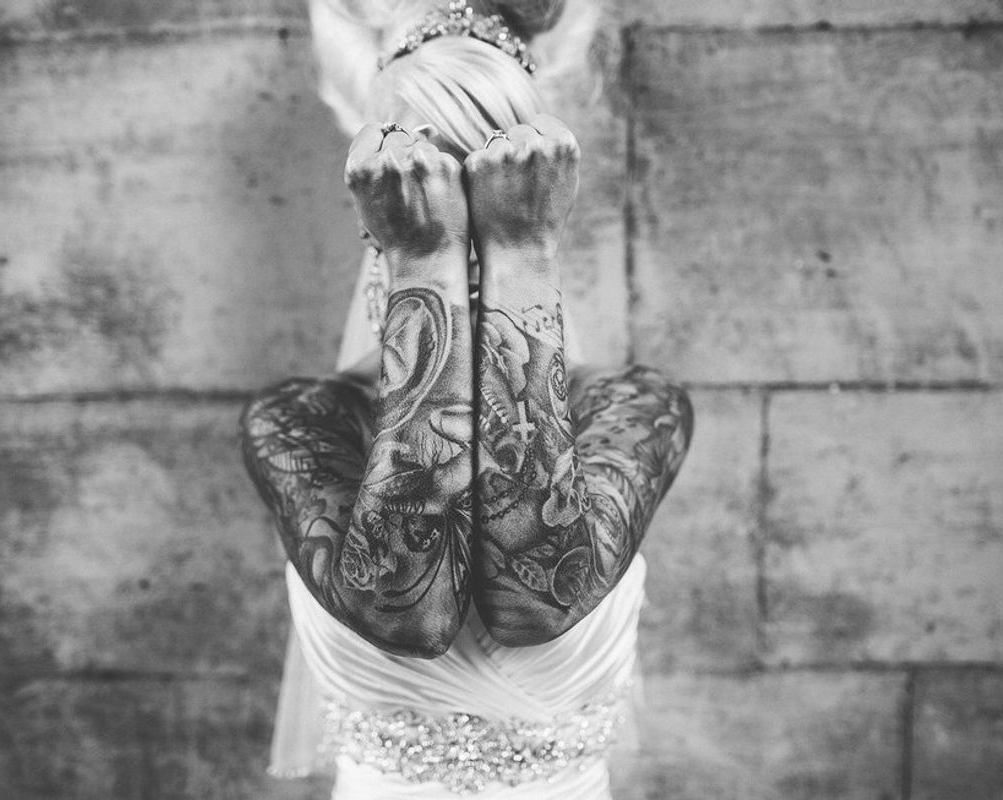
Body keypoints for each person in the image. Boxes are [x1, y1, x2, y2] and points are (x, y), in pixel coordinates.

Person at [239, 1, 694, 796]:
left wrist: (518, 251)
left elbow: (533, 601)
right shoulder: (299, 422)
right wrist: (425, 260)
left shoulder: (632, 408)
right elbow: (412, 616)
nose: (467, 245)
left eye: (489, 209)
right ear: (381, 222)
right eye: (429, 205)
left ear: (538, 203)